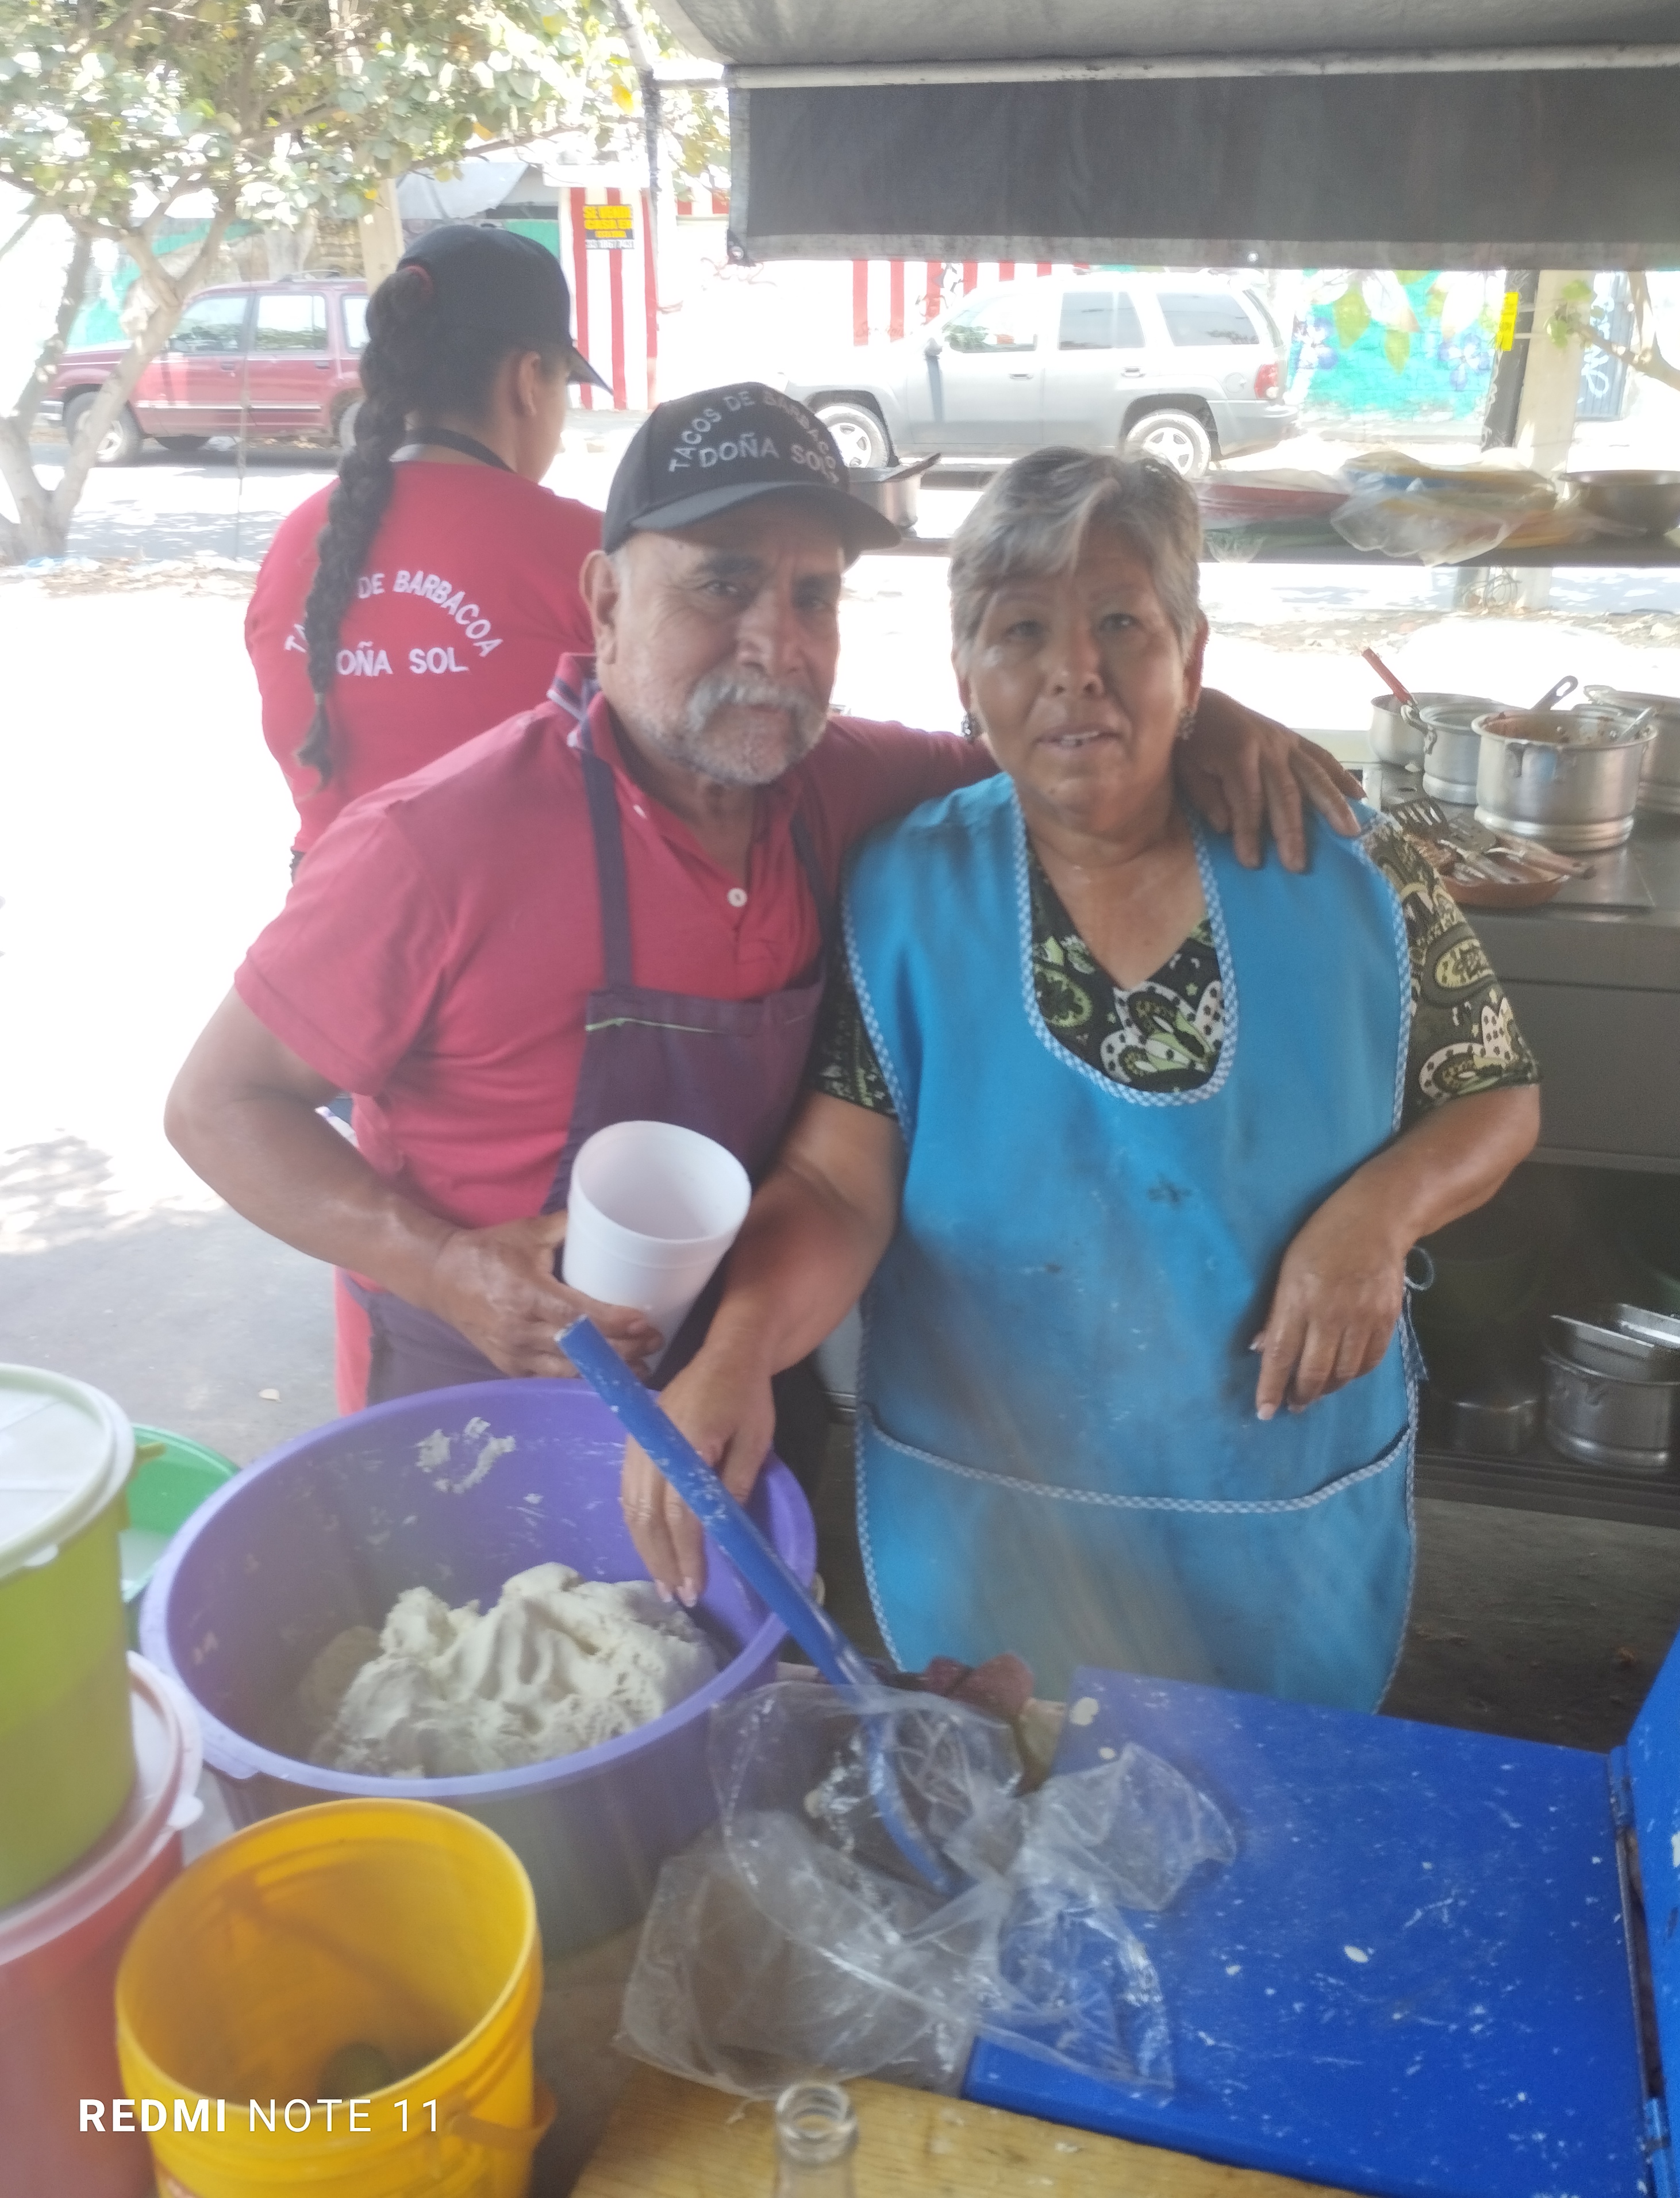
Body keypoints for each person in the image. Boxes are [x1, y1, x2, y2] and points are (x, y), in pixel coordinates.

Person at [167, 390, 1362, 1442]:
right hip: (481, 1402)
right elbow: (217, 1104)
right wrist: (437, 1266)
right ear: (605, 601)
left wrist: (1206, 713)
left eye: (811, 595)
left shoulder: (834, 786)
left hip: (736, 1387)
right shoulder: (435, 845)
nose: (776, 646)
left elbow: (1038, 733)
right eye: (723, 583)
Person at [621, 446, 1542, 1707]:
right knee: (1015, 1834)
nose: (1076, 674)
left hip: (1279, 1519)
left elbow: (1498, 1090)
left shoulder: (1344, 865)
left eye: (1122, 622)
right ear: (965, 679)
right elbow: (837, 1189)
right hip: (996, 1521)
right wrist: (733, 1351)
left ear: (1192, 656)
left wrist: (1375, 1218)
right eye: (1021, 631)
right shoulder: (902, 889)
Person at [244, 222, 608, 864]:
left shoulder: (296, 540)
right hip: (510, 935)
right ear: (528, 380)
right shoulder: (588, 554)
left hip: (327, 930)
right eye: (562, 386)